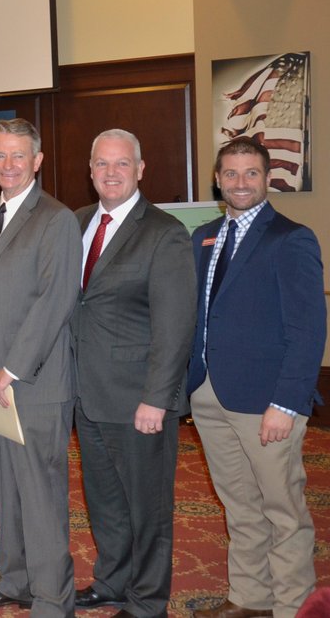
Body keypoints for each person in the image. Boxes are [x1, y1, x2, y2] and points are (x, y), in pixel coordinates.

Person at [187, 140, 326, 618]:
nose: (240, 182)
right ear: (218, 179)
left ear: (267, 178)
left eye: (250, 173)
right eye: (231, 173)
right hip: (208, 393)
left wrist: (286, 404)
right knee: (240, 506)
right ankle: (250, 598)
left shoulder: (291, 238)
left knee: (283, 512)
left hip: (265, 402)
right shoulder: (203, 236)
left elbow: (308, 331)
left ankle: (291, 608)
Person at [72, 129, 196, 618]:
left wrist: (157, 398)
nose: (111, 173)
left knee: (148, 509)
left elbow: (175, 325)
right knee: (104, 501)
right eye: (102, 164)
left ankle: (147, 603)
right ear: (90, 170)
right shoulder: (79, 223)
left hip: (139, 400)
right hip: (87, 393)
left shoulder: (164, 232)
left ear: (140, 169)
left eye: (121, 164)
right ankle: (113, 581)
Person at [0, 118, 81, 616]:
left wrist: (11, 368)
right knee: (7, 491)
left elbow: (56, 302)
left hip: (34, 383)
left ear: (37, 161)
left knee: (40, 497)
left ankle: (53, 600)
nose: (7, 165)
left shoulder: (56, 219)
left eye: (17, 156)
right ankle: (16, 583)